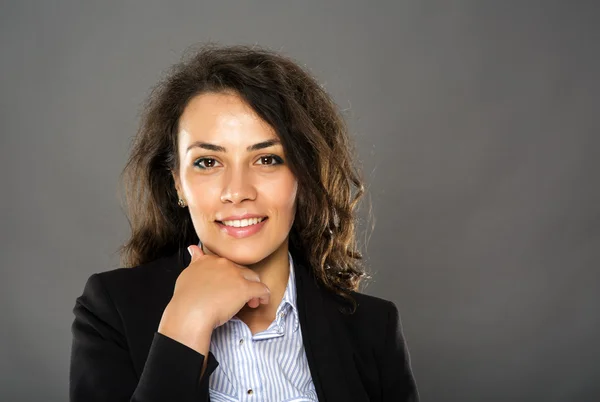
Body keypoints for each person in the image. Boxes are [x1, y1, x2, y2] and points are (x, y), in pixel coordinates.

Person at [69, 44, 419, 402]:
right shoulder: (111, 311)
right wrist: (186, 322)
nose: (237, 192)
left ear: (303, 174)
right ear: (177, 182)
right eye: (208, 162)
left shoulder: (373, 327)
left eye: (267, 159)